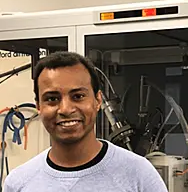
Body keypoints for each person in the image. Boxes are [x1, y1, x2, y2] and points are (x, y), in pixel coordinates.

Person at [3, 51, 168, 192]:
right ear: (39, 106)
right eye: (52, 99)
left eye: (78, 96)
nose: (66, 109)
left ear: (97, 101)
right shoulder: (19, 183)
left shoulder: (138, 175)